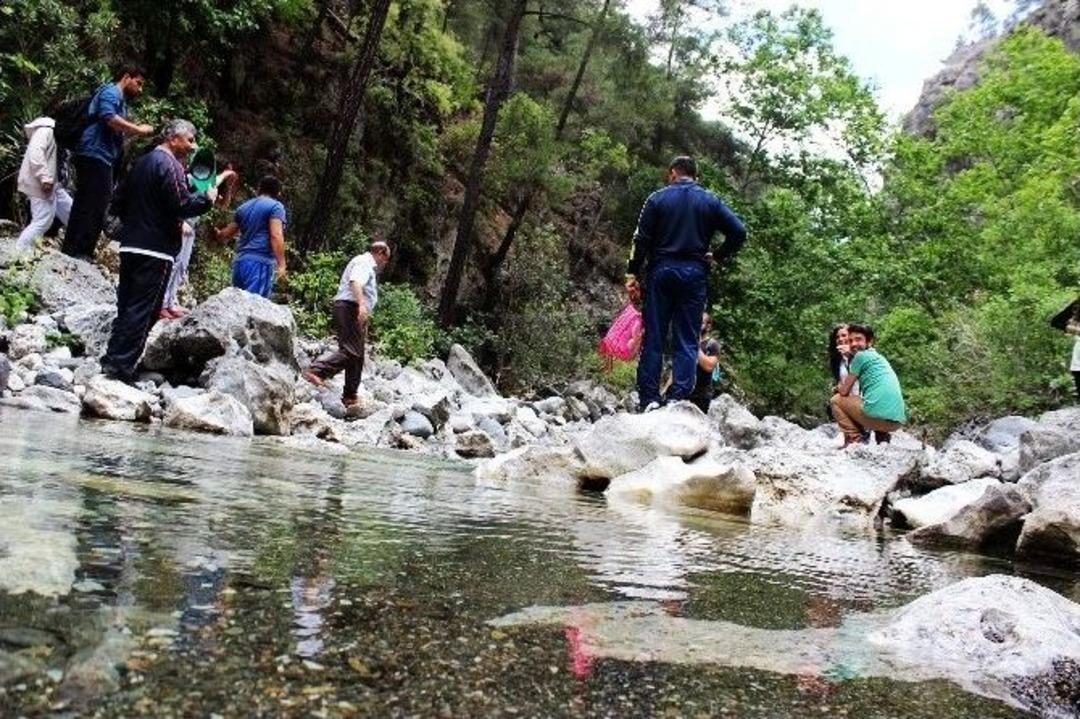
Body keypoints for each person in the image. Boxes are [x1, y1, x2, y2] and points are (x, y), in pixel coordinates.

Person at [100, 120, 218, 383]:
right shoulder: (170, 165)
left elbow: (118, 200)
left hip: (130, 245)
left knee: (127, 306)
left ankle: (111, 358)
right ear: (174, 138)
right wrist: (207, 199)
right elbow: (181, 203)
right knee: (144, 310)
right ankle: (121, 367)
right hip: (155, 249)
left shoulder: (141, 162)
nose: (192, 146)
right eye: (189, 140)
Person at [626, 156, 746, 411]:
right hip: (694, 273)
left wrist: (632, 274)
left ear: (672, 174)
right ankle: (677, 398)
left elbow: (641, 239)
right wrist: (718, 255)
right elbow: (739, 232)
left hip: (661, 270)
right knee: (687, 338)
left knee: (654, 337)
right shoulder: (710, 200)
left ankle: (649, 399)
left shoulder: (656, 199)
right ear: (696, 176)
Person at [62, 64, 154, 260]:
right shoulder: (112, 92)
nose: (140, 89)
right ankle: (81, 251)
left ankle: (71, 248)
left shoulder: (118, 98)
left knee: (85, 200)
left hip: (98, 154)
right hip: (95, 152)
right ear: (126, 77)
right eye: (138, 83)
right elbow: (108, 117)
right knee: (97, 201)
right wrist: (138, 130)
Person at [302, 242, 392, 408]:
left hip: (352, 308)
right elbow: (355, 282)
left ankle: (350, 395)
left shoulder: (365, 264)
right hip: (350, 306)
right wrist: (362, 305)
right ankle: (316, 371)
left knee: (358, 355)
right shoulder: (364, 262)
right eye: (385, 259)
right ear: (379, 252)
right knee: (351, 351)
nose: (384, 263)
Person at [161, 169, 238, 318]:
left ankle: (170, 302)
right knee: (174, 264)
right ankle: (161, 303)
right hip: (180, 224)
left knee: (181, 266)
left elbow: (223, 205)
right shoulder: (190, 179)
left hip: (191, 227)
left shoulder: (206, 188)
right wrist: (227, 173)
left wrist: (228, 187)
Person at [830, 324, 907, 448]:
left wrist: (837, 388)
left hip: (877, 419)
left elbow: (844, 392)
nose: (854, 344)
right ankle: (882, 439)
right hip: (897, 421)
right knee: (872, 400)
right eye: (850, 341)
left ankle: (854, 439)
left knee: (836, 400)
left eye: (858, 339)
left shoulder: (859, 357)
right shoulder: (878, 357)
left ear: (869, 341)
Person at [215, 175, 288, 298]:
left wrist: (217, 232)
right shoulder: (276, 207)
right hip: (259, 263)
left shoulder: (243, 208)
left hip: (240, 262)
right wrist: (282, 264)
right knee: (254, 309)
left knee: (236, 305)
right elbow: (276, 235)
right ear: (278, 193)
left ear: (259, 189)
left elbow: (225, 235)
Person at [15, 115, 73, 253]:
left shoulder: (56, 134)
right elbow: (36, 153)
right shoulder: (45, 130)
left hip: (53, 184)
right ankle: (19, 253)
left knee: (72, 213)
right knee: (42, 220)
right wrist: (44, 177)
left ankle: (75, 247)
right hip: (40, 182)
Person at [688, 313, 721, 413]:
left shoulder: (712, 344)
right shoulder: (687, 343)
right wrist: (665, 389)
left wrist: (695, 345)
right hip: (685, 392)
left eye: (700, 323)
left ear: (708, 326)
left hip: (701, 395)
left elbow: (709, 366)